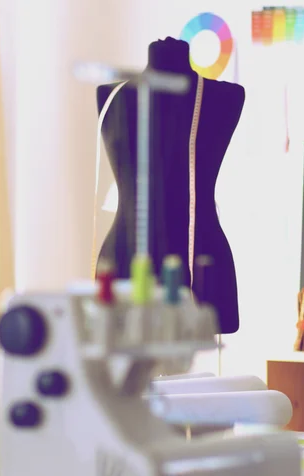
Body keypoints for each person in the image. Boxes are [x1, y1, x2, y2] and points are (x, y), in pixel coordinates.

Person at [97, 37, 245, 334]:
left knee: (199, 369)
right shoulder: (108, 94)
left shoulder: (225, 96)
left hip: (201, 257)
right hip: (127, 257)